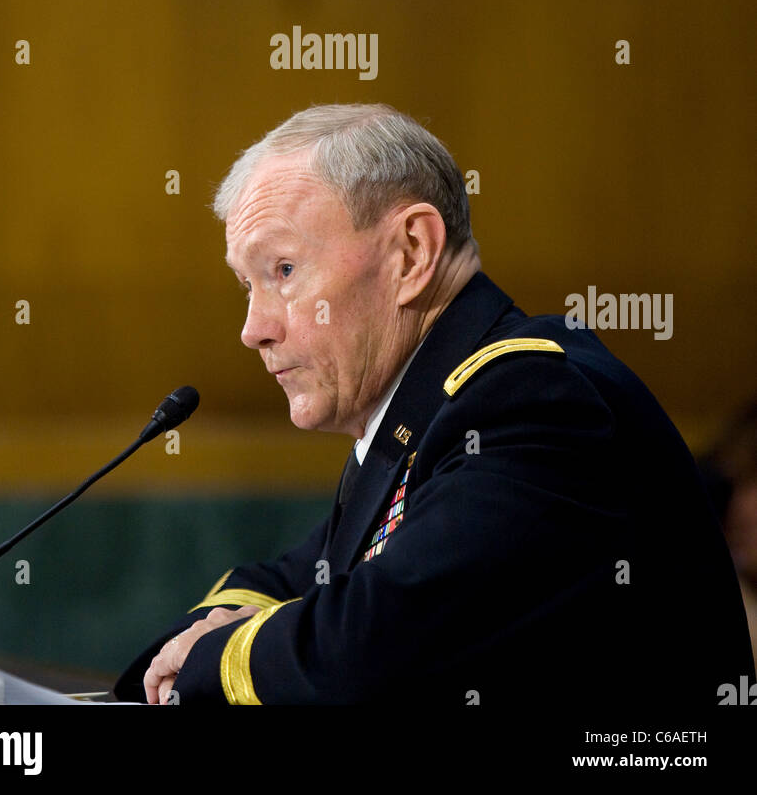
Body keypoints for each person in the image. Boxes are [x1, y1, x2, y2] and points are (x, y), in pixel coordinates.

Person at [114, 103, 754, 711]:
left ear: (412, 252)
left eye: (283, 270)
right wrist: (182, 652)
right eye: (246, 285)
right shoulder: (425, 410)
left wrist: (208, 660)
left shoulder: (532, 403)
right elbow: (298, 579)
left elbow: (376, 639)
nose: (254, 329)